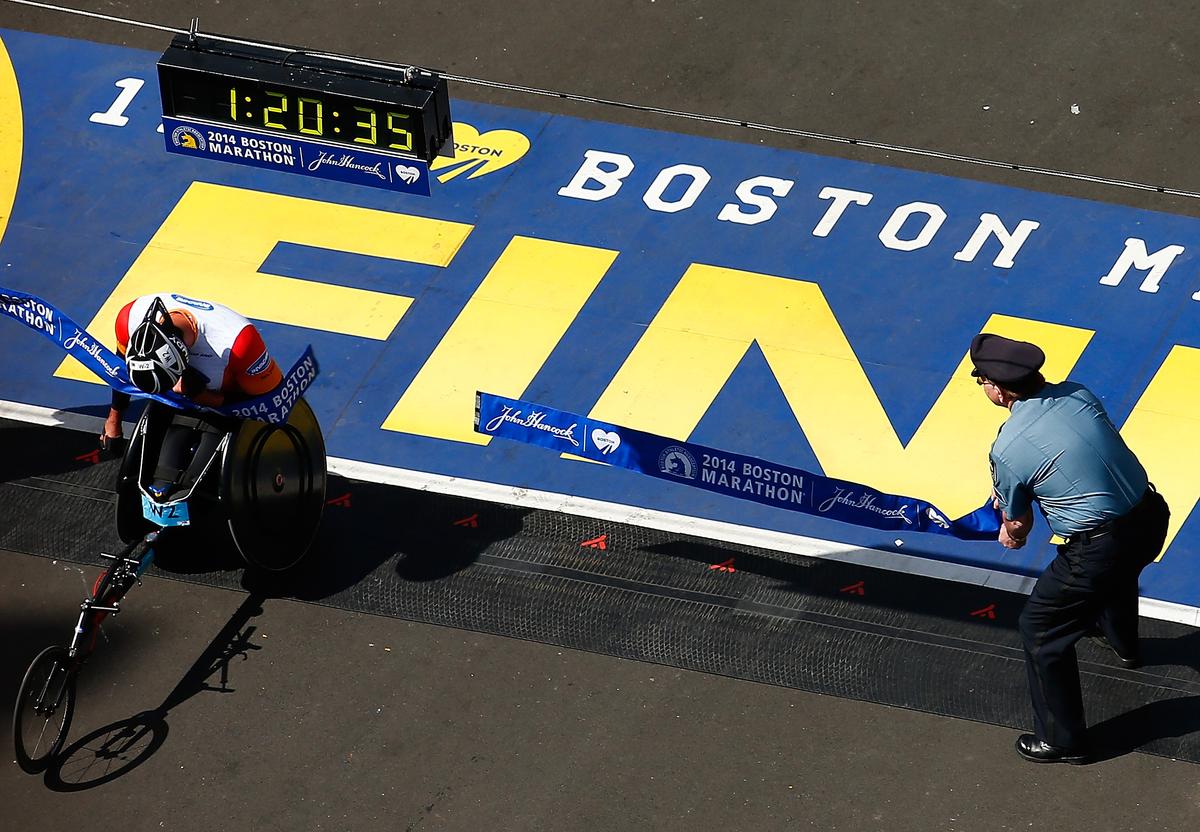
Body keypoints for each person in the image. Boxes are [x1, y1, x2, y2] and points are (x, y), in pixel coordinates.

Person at [971, 333, 1170, 765]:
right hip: (1151, 514)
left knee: (1041, 631)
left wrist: (1010, 532)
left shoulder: (1007, 447)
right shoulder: (1079, 393)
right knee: (1120, 573)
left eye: (980, 380)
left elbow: (1018, 526)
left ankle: (1062, 741)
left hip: (1098, 548)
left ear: (996, 388)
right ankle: (1125, 645)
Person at [100, 292, 283, 449]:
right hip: (182, 397)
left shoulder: (240, 343)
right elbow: (121, 373)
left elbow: (272, 398)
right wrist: (114, 419)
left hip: (228, 403)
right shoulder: (129, 318)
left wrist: (208, 398)